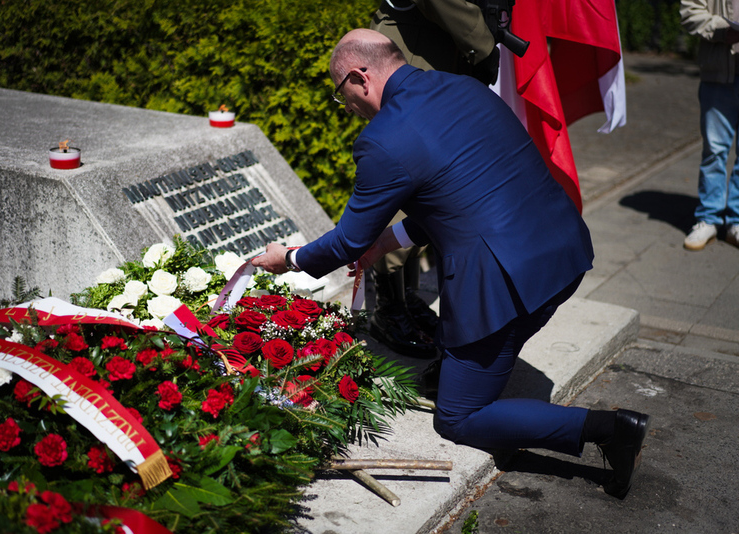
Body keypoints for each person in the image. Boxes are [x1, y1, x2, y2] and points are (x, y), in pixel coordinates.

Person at [252, 29, 651, 498]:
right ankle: (464, 359)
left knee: (459, 415)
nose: (345, 106)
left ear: (360, 78)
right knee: (457, 349)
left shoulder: (382, 140)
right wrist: (391, 239)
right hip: (564, 252)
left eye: (340, 94)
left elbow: (346, 243)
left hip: (509, 283)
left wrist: (290, 258)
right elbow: (461, 192)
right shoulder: (461, 87)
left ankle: (610, 429)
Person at [365, 0, 499, 358]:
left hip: (444, 49)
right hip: (415, 49)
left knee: (433, 185)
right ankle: (387, 308)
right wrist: (483, 41)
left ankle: (405, 299)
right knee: (405, 180)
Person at [680, 0, 739, 250]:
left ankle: (736, 221)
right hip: (718, 73)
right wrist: (725, 31)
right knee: (714, 150)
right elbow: (689, 11)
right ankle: (708, 219)